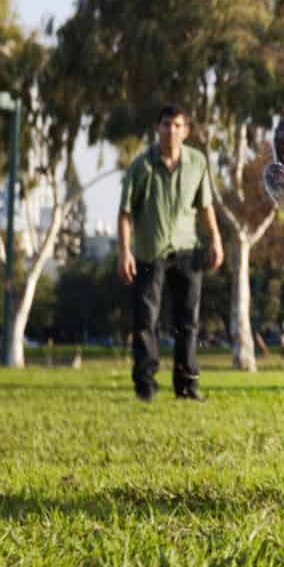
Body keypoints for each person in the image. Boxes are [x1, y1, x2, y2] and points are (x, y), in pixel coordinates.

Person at [117, 105, 224, 402]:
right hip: (150, 253)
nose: (171, 131)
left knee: (188, 323)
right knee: (145, 323)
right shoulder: (141, 166)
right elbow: (125, 213)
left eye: (178, 125)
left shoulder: (198, 163)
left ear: (186, 131)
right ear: (157, 128)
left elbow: (205, 207)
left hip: (188, 252)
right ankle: (145, 386)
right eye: (166, 125)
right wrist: (124, 252)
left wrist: (216, 239)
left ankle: (187, 386)